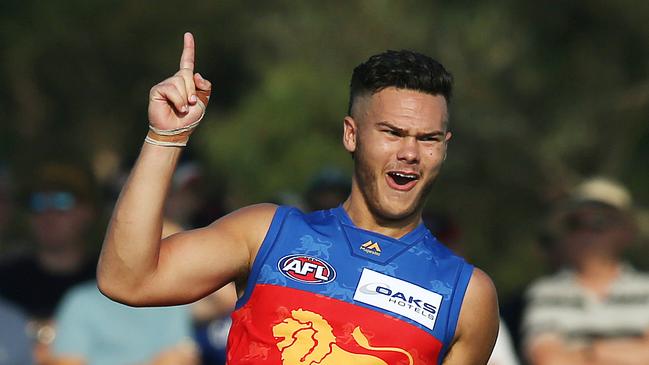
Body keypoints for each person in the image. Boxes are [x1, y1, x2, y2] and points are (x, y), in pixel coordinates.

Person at [97, 32, 499, 364]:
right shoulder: (267, 232)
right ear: (351, 135)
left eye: (427, 139)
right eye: (392, 133)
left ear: (444, 148)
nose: (409, 152)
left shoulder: (467, 296)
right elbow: (126, 280)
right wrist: (167, 136)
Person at [522, 177, 649, 364]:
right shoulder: (544, 292)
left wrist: (586, 353)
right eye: (575, 223)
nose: (586, 232)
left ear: (626, 232)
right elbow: (546, 359)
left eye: (599, 222)